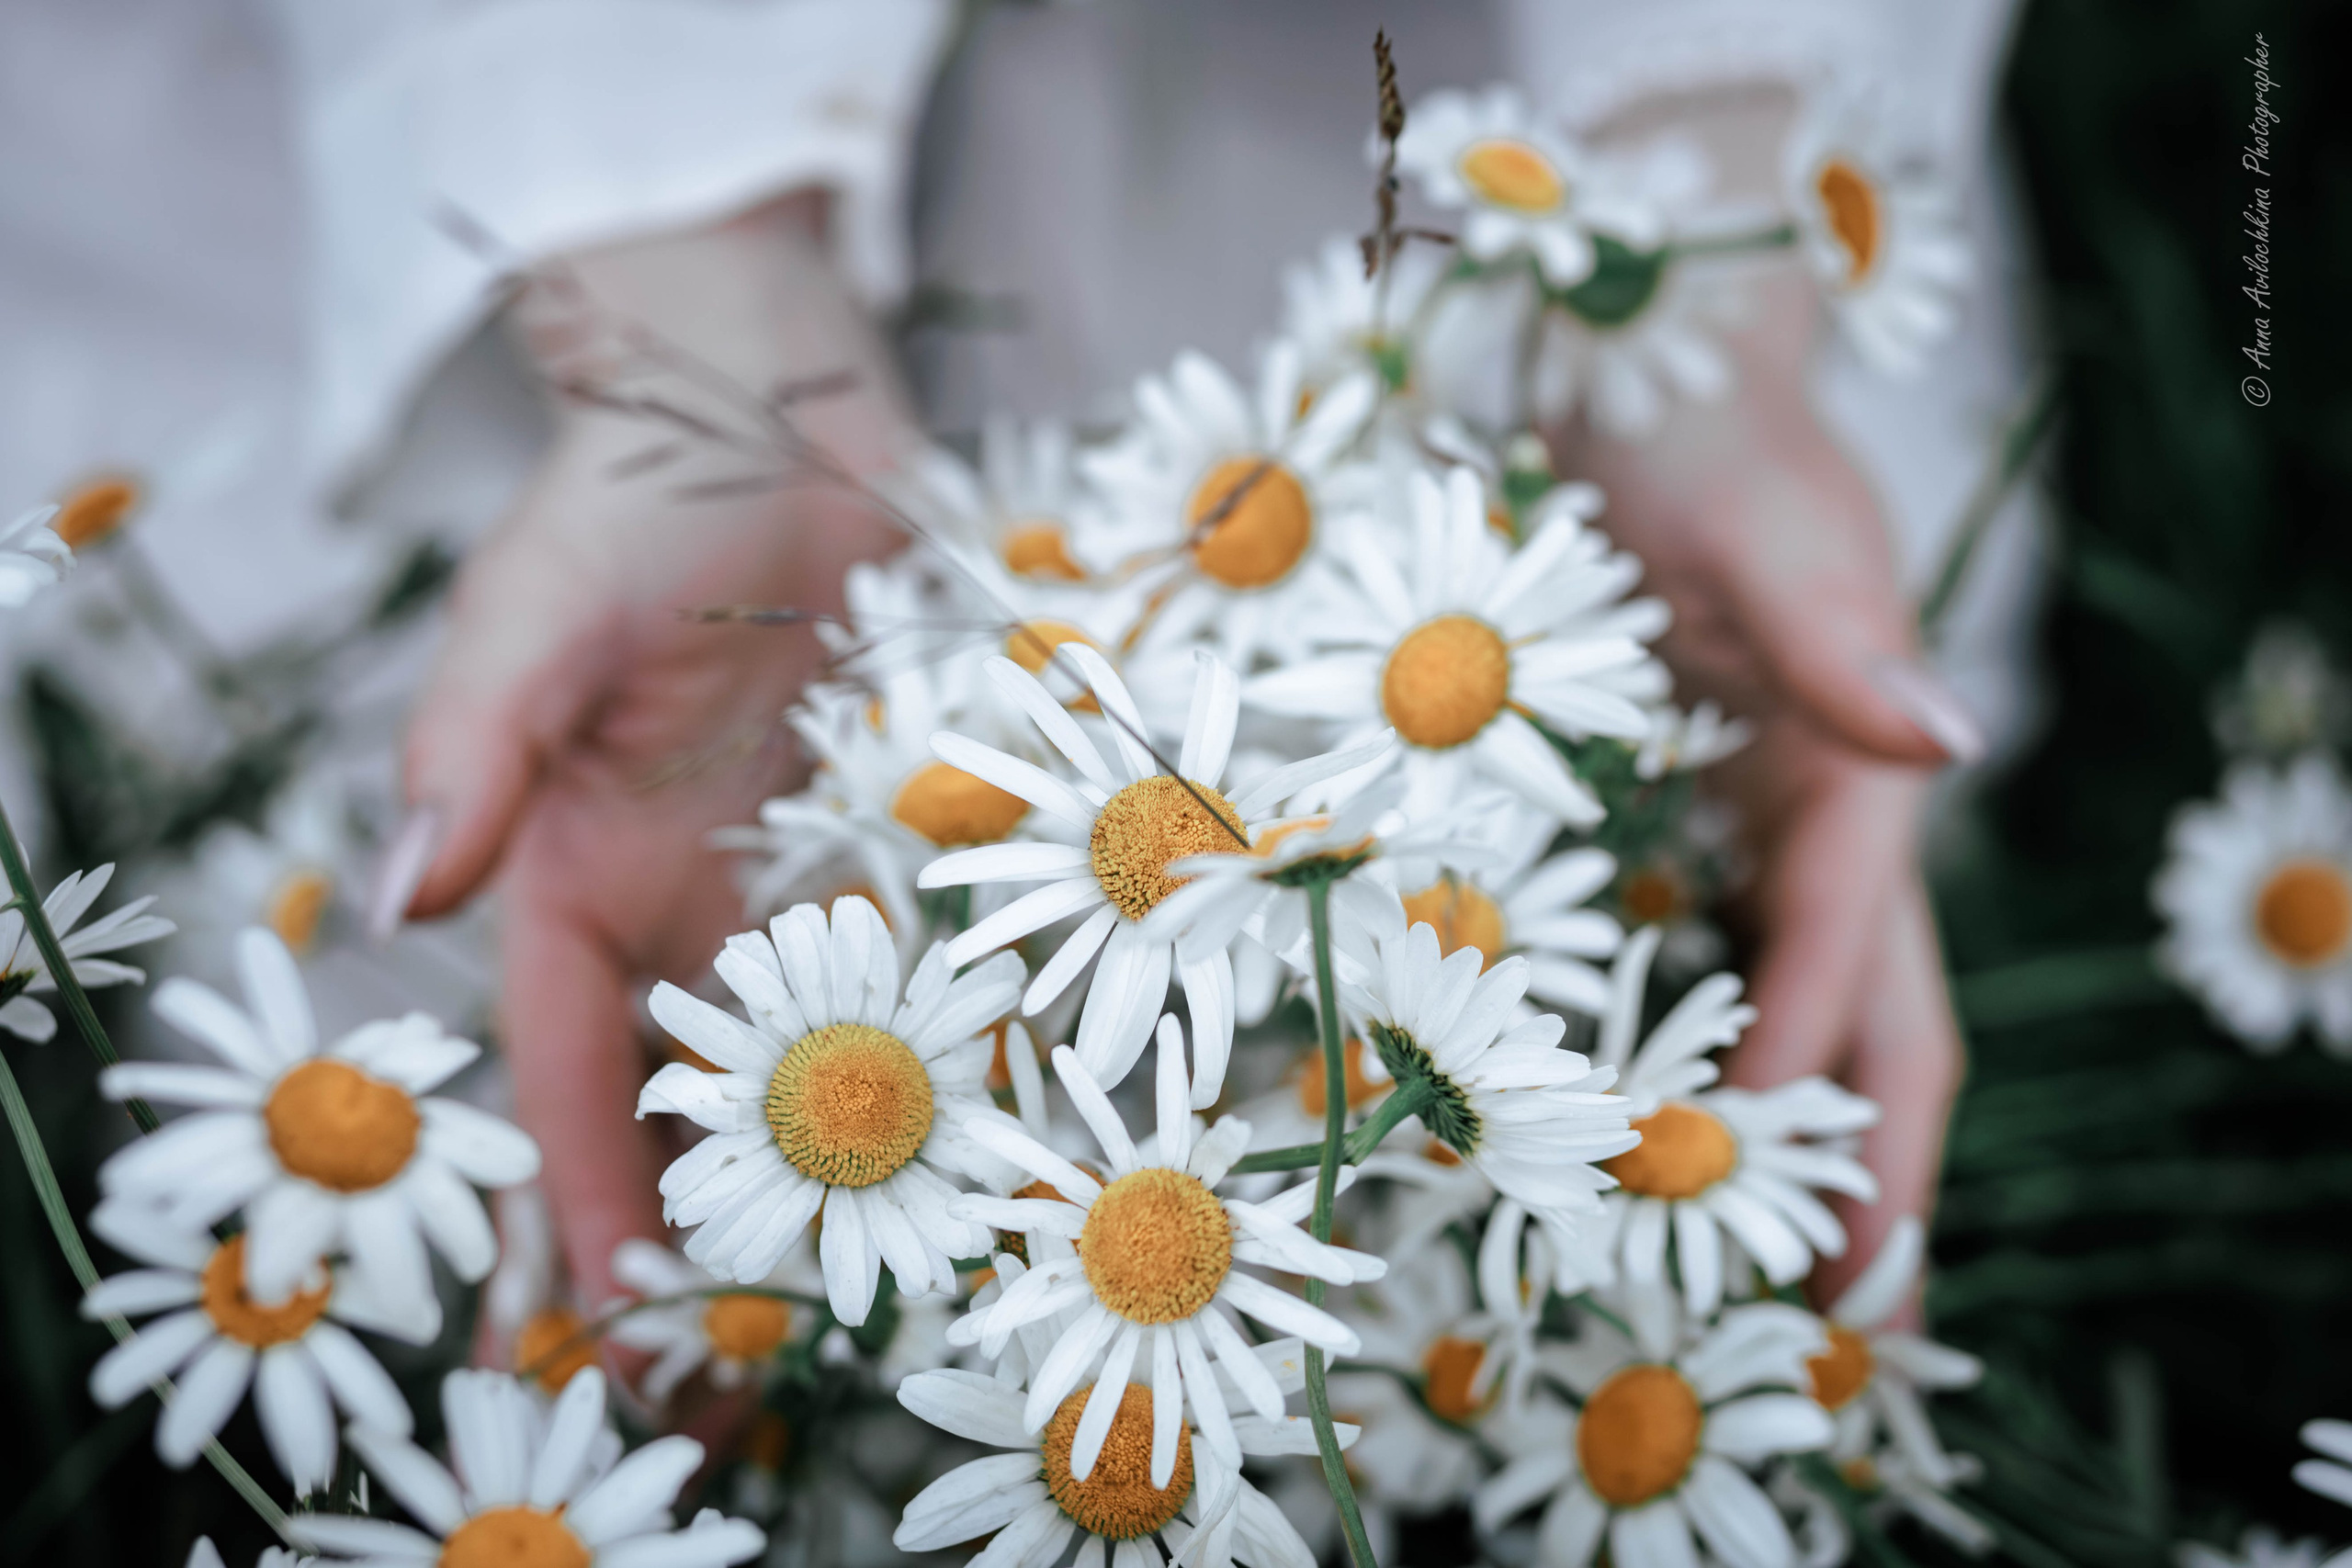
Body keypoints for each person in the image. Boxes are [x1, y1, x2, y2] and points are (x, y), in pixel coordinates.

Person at [11, 0, 2033, 1317]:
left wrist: (1675, 254)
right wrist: (674, 303)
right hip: (396, 192)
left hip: (1386, 168)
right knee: (524, 1123)